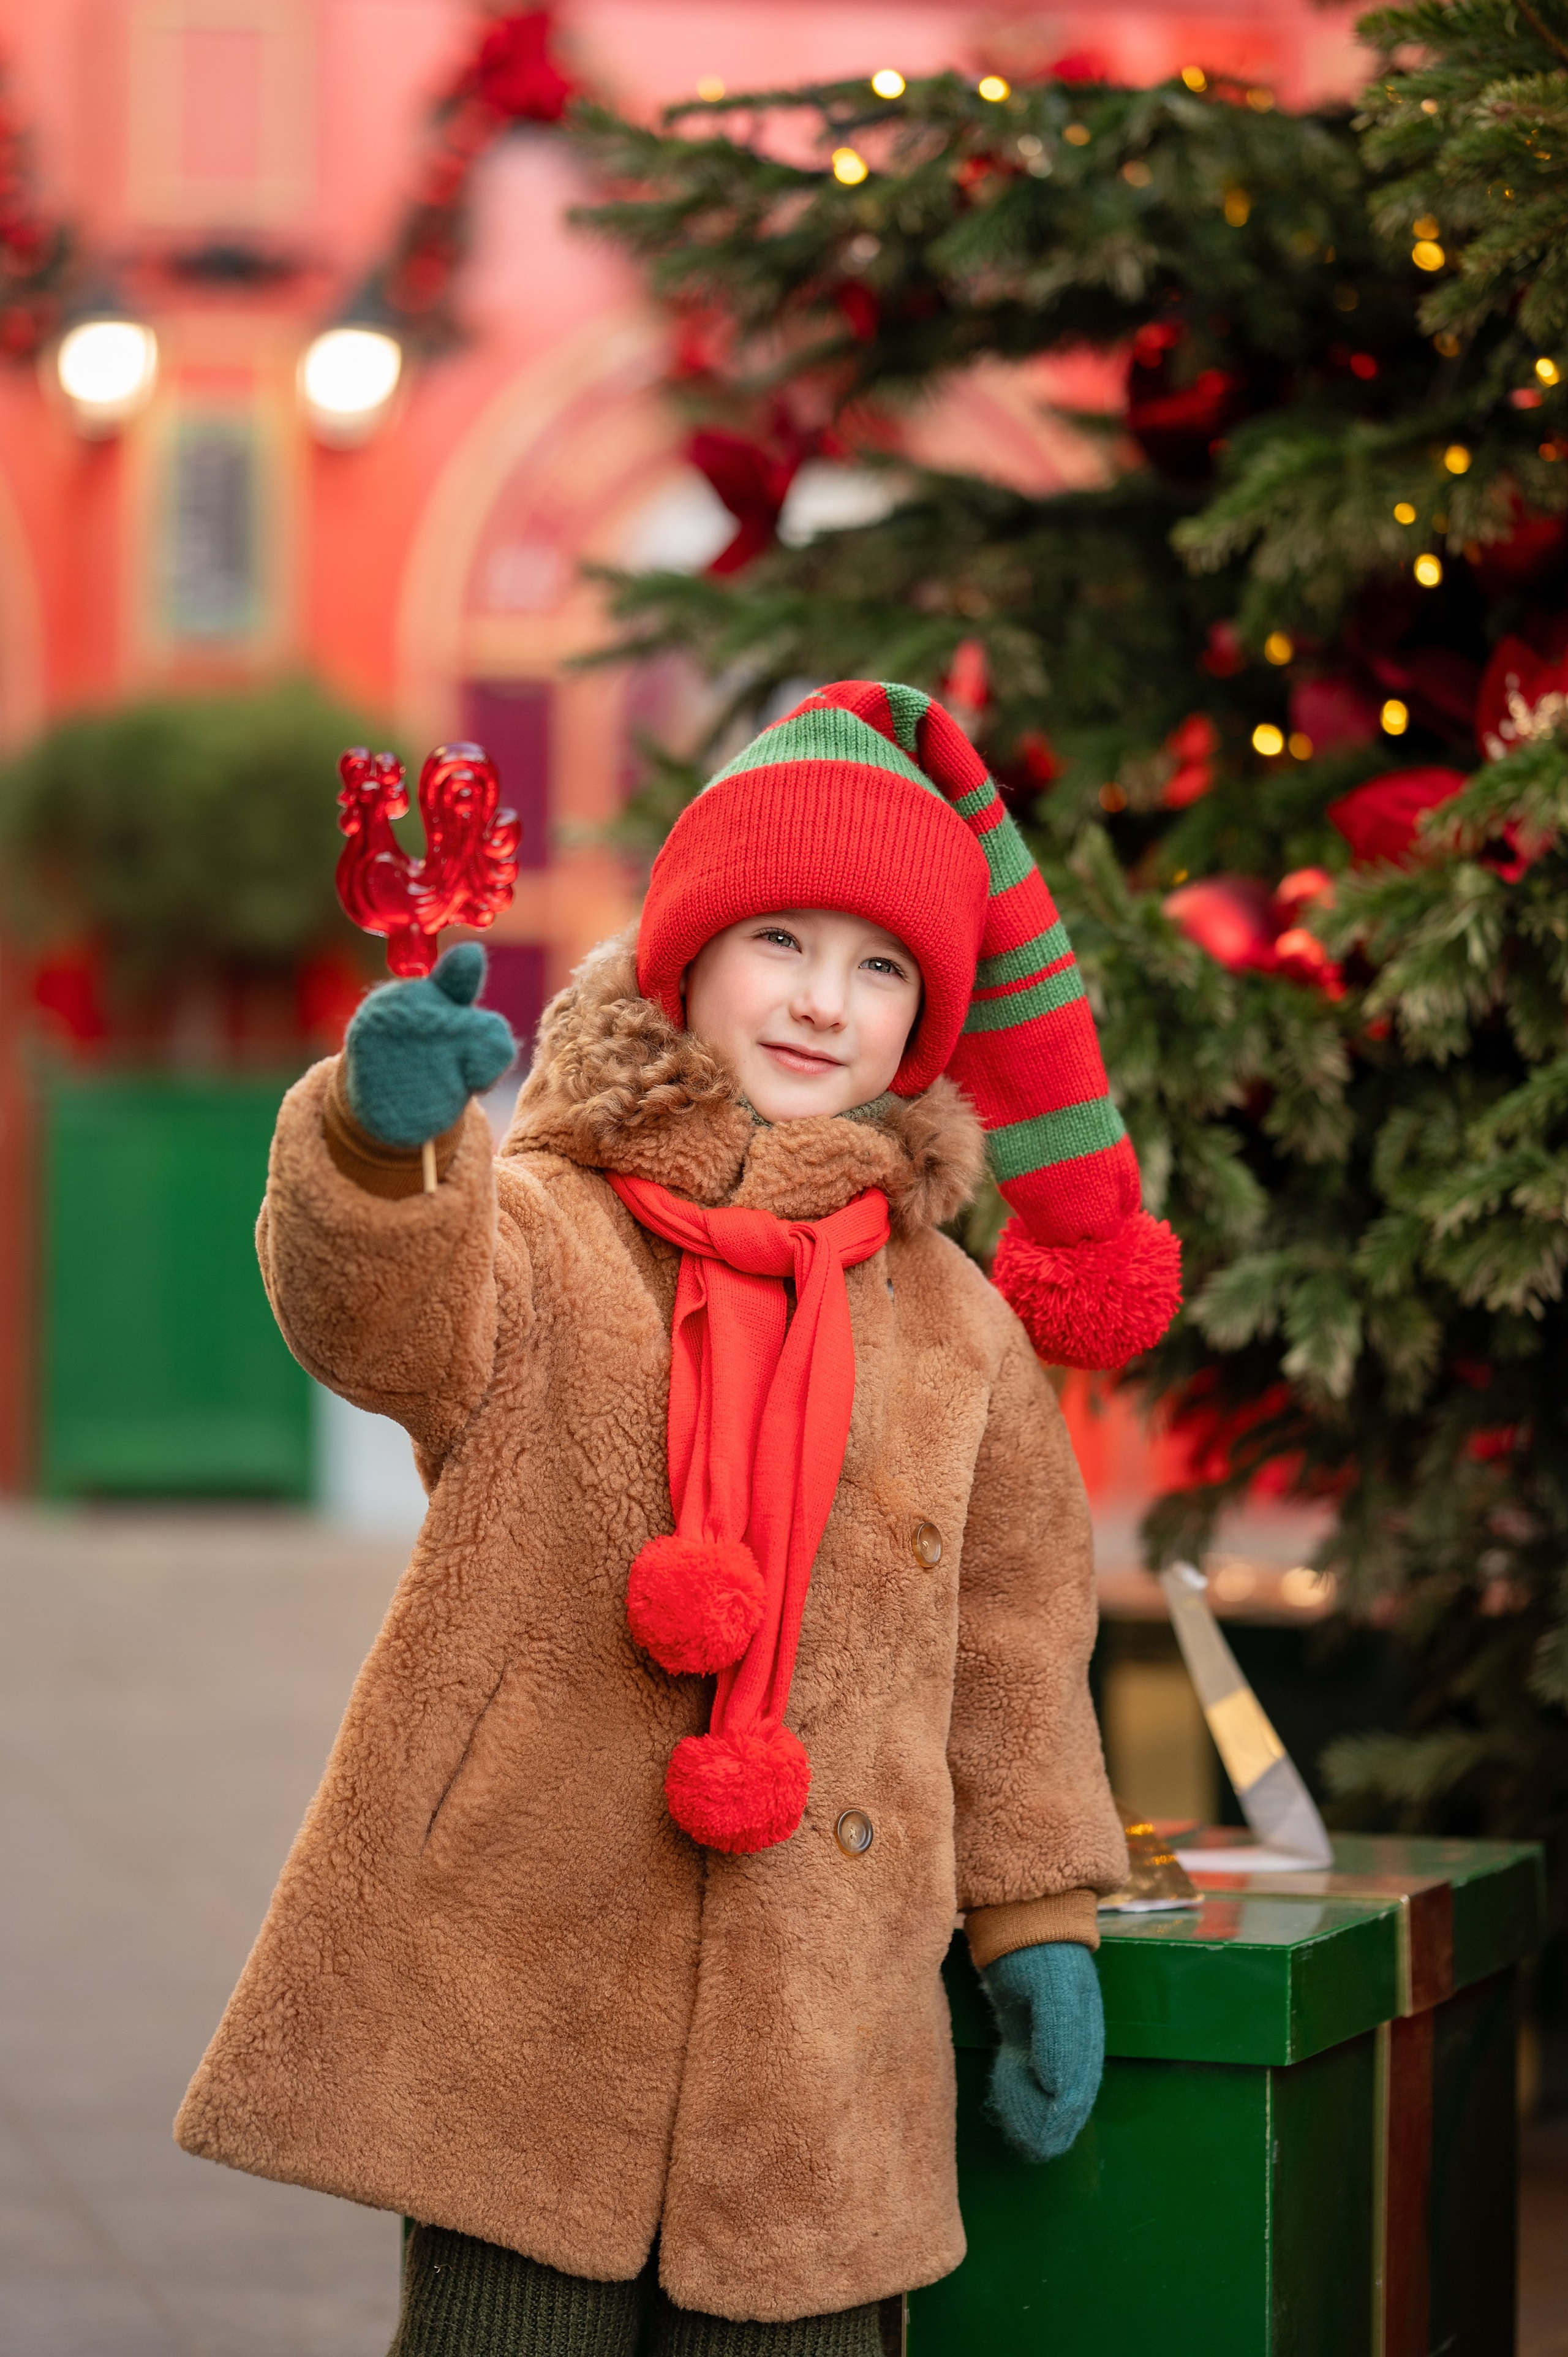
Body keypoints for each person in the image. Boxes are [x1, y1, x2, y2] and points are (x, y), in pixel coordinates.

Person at [176, 680, 1180, 2356]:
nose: (821, 1001)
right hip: (528, 1991)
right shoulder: (547, 1231)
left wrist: (1038, 1918)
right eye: (780, 940)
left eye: (880, 969)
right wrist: (379, 1147)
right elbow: (385, 1320)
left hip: (819, 2032)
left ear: (924, 1021)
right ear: (689, 957)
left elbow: (1013, 1648)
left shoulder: (957, 1328)